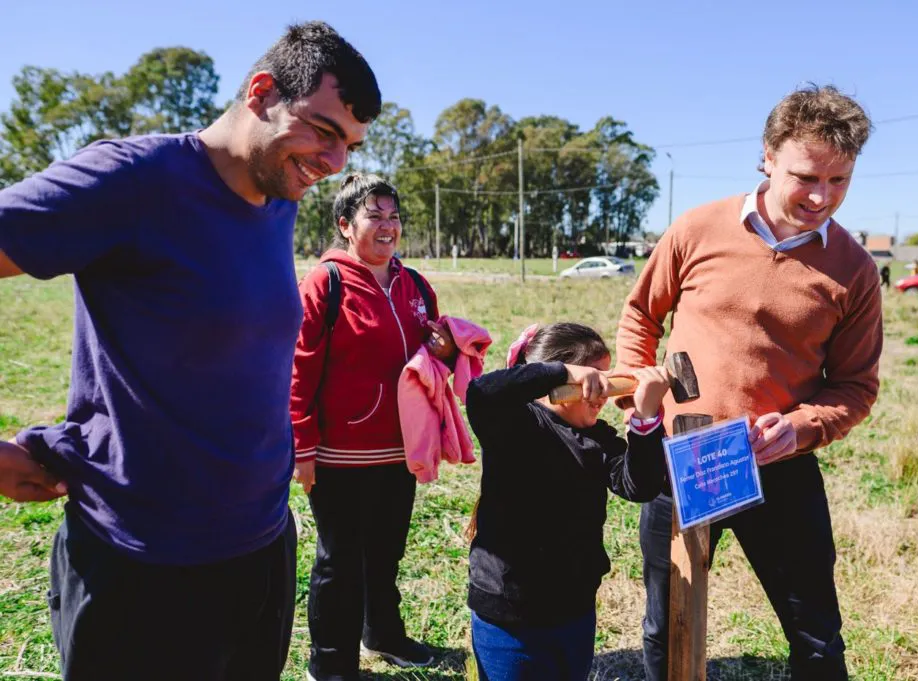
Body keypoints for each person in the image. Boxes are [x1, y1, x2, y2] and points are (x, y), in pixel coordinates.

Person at [0, 21, 379, 681]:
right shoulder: (133, 180)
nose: (335, 162)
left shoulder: (278, 196)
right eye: (323, 131)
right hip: (142, 565)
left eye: (349, 144)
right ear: (262, 92)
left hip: (261, 548)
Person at [616, 85, 882, 681]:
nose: (821, 196)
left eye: (839, 180)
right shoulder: (697, 229)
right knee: (667, 625)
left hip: (779, 468)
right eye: (806, 176)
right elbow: (640, 316)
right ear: (767, 156)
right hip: (682, 461)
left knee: (816, 632)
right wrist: (640, 396)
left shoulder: (855, 271)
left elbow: (855, 387)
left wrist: (801, 427)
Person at [290, 174, 451, 681]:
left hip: (401, 448)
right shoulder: (325, 283)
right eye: (374, 216)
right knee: (339, 560)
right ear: (345, 225)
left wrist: (446, 349)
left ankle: (383, 635)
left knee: (385, 553)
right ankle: (330, 664)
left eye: (394, 216)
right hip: (339, 454)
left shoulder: (415, 284)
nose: (388, 226)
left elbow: (433, 358)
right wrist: (302, 447)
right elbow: (298, 369)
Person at [465, 322, 671, 681]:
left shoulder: (597, 439)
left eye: (606, 379)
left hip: (573, 610)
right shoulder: (515, 423)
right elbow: (482, 392)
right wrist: (562, 372)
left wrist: (645, 418)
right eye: (594, 381)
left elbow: (639, 486)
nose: (603, 393)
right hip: (509, 616)